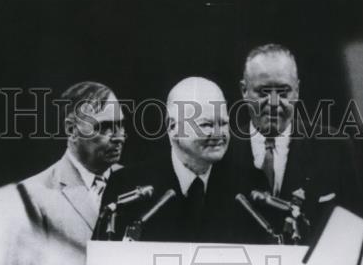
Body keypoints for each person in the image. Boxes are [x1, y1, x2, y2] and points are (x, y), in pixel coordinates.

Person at [228, 43, 363, 244]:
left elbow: (357, 235)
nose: (274, 103)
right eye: (263, 92)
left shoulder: (334, 147)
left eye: (284, 92)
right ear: (244, 91)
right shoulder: (222, 151)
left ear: (298, 91)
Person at [93, 77, 256, 243]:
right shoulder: (126, 186)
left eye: (223, 123)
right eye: (206, 124)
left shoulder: (249, 187)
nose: (218, 133)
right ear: (172, 127)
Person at [19, 81, 126, 246]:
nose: (119, 137)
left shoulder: (137, 184)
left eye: (120, 125)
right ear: (71, 130)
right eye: (104, 127)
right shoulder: (34, 195)